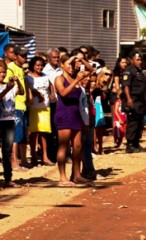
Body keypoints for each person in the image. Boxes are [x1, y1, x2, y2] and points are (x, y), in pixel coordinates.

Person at [54, 54, 91, 186]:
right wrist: (76, 81)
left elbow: (91, 70)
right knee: (63, 146)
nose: (71, 67)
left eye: (72, 64)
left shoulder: (76, 76)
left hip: (76, 115)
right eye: (68, 64)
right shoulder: (59, 78)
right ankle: (62, 177)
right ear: (62, 65)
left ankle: (76, 175)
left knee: (78, 146)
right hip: (64, 114)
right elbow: (63, 93)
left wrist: (81, 59)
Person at [5, 46, 32, 171]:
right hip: (15, 105)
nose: (25, 58)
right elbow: (6, 85)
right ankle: (14, 162)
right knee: (15, 135)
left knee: (22, 134)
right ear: (15, 56)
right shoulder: (10, 68)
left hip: (23, 105)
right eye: (22, 55)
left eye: (26, 55)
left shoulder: (20, 68)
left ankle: (23, 160)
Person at [26, 56, 55, 166]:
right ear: (32, 65)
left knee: (44, 133)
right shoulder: (28, 77)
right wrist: (37, 93)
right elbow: (27, 90)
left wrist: (52, 94)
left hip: (45, 107)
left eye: (41, 65)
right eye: (37, 65)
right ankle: (33, 156)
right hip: (33, 108)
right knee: (33, 133)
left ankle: (45, 157)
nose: (40, 67)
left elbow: (51, 86)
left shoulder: (45, 76)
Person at [0, 59, 24, 188]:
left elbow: (21, 92)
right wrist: (6, 90)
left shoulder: (9, 85)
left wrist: (18, 82)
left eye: (3, 72)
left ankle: (8, 178)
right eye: (0, 72)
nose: (2, 75)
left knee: (7, 150)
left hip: (9, 121)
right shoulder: (6, 88)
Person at [122, 51, 146, 153]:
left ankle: (136, 143)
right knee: (132, 123)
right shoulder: (129, 71)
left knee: (140, 123)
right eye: (137, 59)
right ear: (132, 60)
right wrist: (129, 99)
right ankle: (130, 145)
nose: (140, 62)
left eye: (141, 60)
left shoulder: (139, 71)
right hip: (133, 100)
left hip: (141, 101)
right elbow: (126, 86)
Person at [43, 48, 62, 162]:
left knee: (60, 129)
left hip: (61, 102)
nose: (56, 59)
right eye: (54, 57)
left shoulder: (61, 69)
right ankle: (51, 154)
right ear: (49, 58)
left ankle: (61, 153)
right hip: (50, 104)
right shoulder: (45, 71)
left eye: (58, 57)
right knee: (50, 130)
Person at [92, 66, 112, 154]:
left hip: (101, 107)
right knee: (95, 128)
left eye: (110, 75)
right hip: (95, 105)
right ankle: (95, 146)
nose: (108, 76)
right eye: (106, 74)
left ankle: (100, 146)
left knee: (100, 128)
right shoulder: (96, 83)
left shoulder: (106, 86)